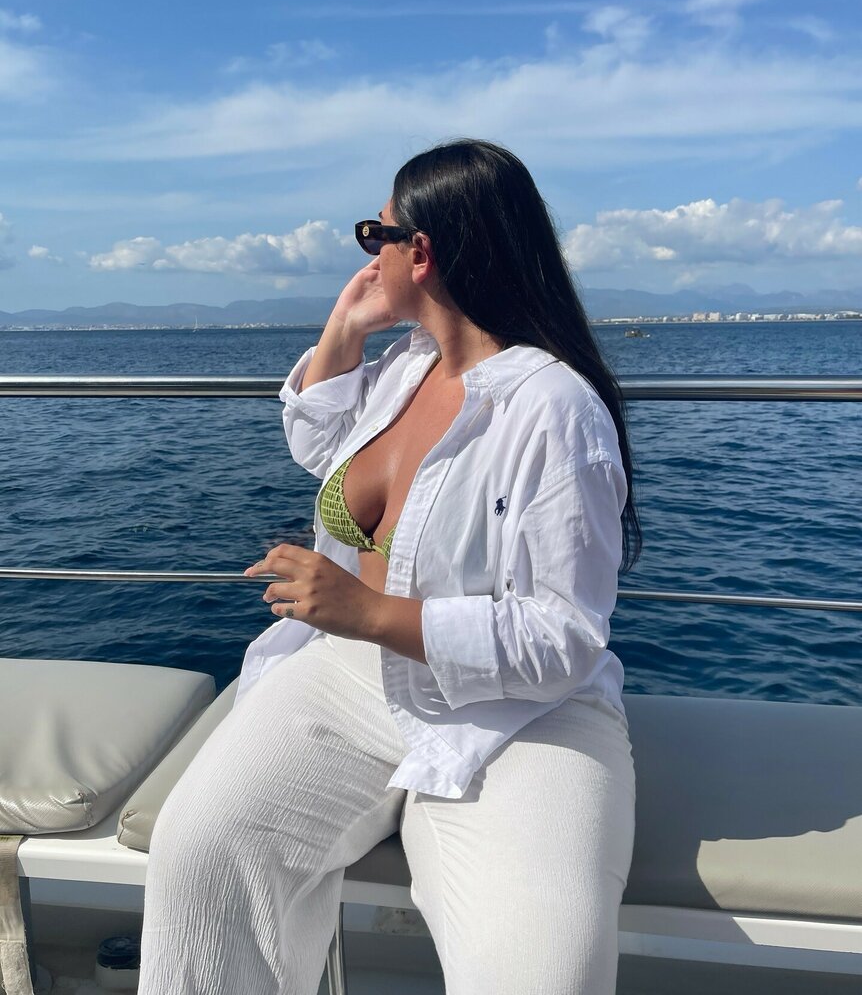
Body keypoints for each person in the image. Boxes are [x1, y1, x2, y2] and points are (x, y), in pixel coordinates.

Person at [138, 138, 640, 994]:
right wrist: (345, 326)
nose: (369, 253)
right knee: (201, 855)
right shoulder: (407, 369)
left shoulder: (555, 410)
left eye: (377, 233)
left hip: (520, 714)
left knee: (540, 971)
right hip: (351, 676)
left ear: (424, 250)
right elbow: (317, 438)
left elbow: (563, 638)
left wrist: (366, 612)